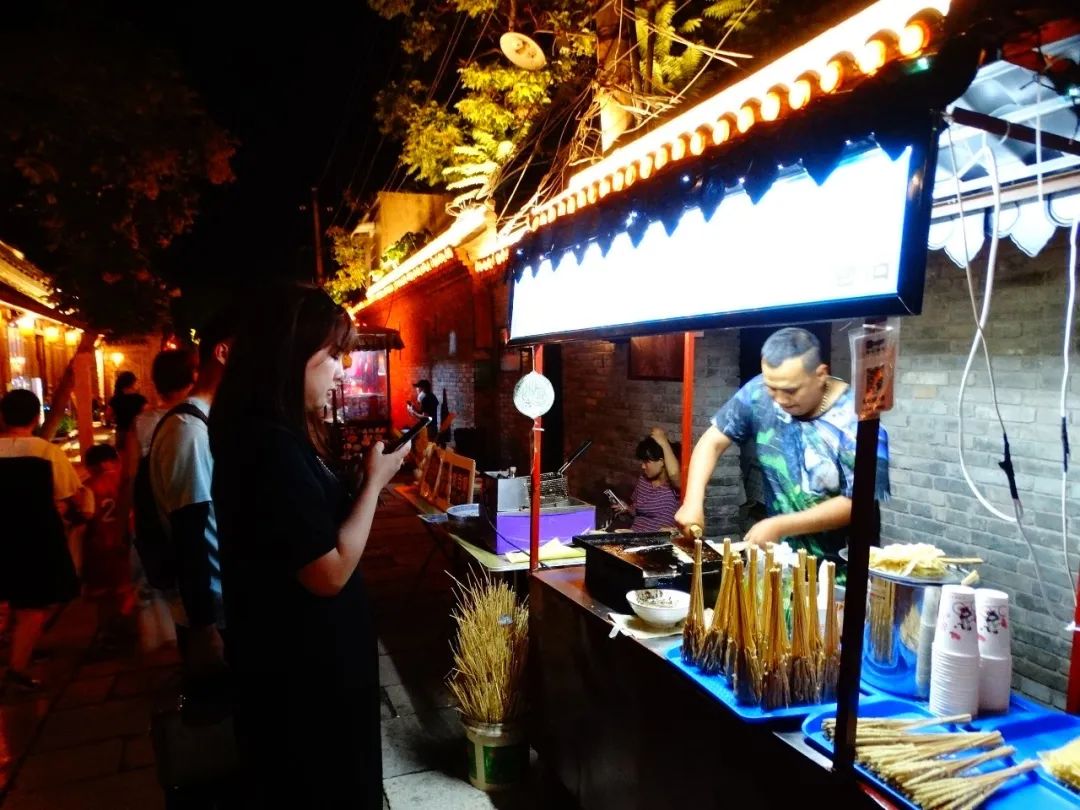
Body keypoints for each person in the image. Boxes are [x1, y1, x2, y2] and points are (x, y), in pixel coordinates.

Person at [210, 284, 410, 808]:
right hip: (301, 684)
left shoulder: (280, 435)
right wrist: (375, 484)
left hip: (311, 671)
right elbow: (328, 571)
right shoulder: (267, 446)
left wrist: (357, 481)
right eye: (332, 356)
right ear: (288, 356)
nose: (343, 371)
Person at [675, 327, 890, 570]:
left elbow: (858, 503)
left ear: (821, 374)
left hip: (841, 571)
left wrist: (779, 525)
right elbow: (712, 442)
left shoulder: (858, 420)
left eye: (790, 390)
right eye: (771, 388)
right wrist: (692, 501)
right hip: (783, 563)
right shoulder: (759, 392)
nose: (779, 399)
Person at [148, 317, 233, 679]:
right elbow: (190, 535)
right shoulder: (189, 431)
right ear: (223, 353)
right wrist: (204, 626)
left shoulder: (205, 421)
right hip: (213, 613)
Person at [0, 389, 91, 691]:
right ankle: (17, 667)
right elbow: (69, 492)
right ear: (37, 417)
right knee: (34, 604)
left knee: (12, 597)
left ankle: (18, 645)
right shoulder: (46, 452)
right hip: (36, 536)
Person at [121, 349, 197, 654]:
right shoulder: (201, 417)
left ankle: (166, 638)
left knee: (158, 578)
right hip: (191, 508)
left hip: (152, 512)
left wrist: (124, 518)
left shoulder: (141, 423)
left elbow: (129, 476)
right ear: (193, 377)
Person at [82, 444, 133, 651]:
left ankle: (106, 631)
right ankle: (127, 625)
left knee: (104, 595)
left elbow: (87, 514)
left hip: (100, 546)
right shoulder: (126, 482)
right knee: (127, 587)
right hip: (126, 544)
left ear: (95, 466)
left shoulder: (89, 486)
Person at [613, 428, 681, 532]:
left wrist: (664, 442)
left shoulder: (674, 487)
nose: (643, 466)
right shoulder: (643, 480)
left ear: (662, 462)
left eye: (647, 462)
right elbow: (638, 511)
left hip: (657, 539)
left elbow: (674, 474)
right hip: (634, 534)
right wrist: (627, 508)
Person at [107, 371, 148, 452]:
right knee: (137, 454)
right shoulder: (140, 399)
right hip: (137, 432)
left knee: (121, 454)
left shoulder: (115, 399)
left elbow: (108, 415)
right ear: (132, 383)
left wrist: (116, 418)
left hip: (121, 431)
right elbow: (147, 415)